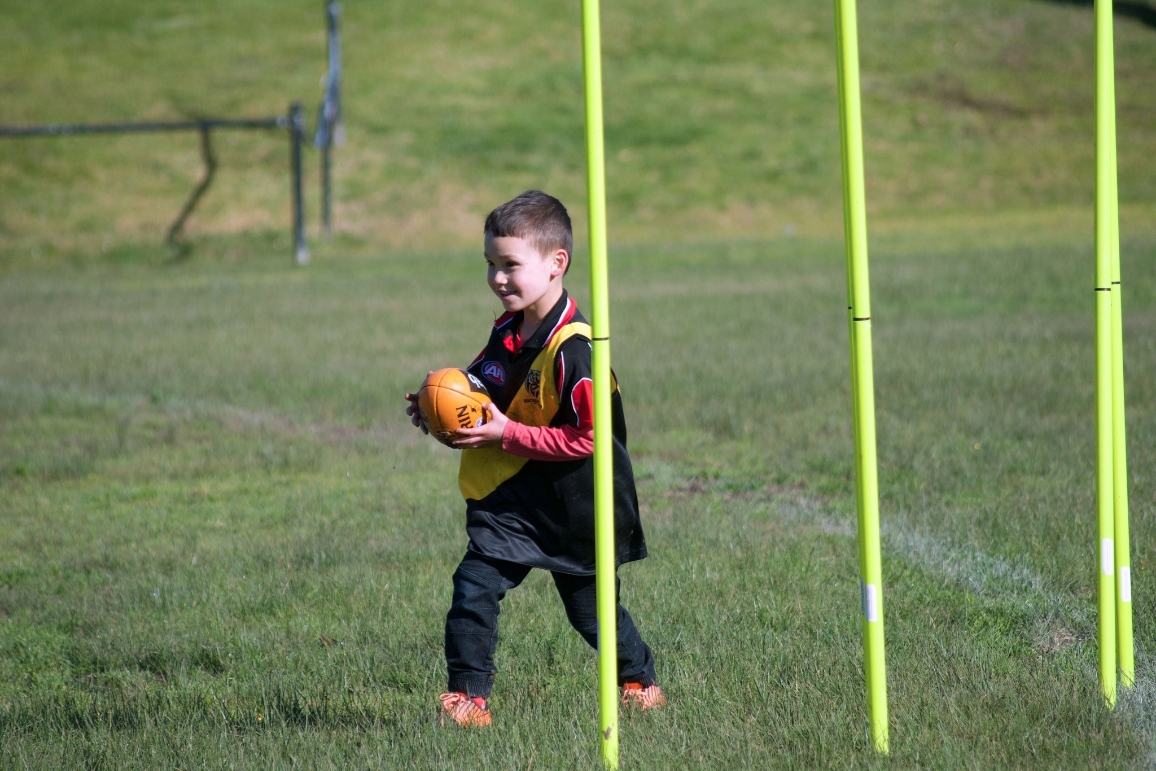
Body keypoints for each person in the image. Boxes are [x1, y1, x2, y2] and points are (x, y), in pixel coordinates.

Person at [405, 190, 665, 728]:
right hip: (516, 502)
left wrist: (506, 433)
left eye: (510, 266)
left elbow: (590, 440)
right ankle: (468, 698)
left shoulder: (578, 350)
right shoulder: (509, 327)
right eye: (490, 265)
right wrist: (440, 407)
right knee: (474, 586)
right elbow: (484, 384)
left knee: (591, 614)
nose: (498, 279)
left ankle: (639, 679)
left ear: (556, 264)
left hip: (576, 506)